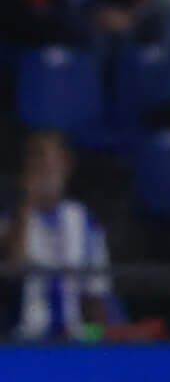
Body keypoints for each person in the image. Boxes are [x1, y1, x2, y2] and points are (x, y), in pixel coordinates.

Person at [6, 132, 114, 342]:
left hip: (74, 340)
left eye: (49, 160)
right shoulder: (13, 220)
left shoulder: (85, 221)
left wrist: (98, 343)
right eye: (35, 159)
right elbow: (13, 268)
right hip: (21, 342)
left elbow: (95, 298)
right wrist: (26, 203)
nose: (43, 168)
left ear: (67, 165)